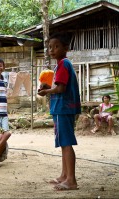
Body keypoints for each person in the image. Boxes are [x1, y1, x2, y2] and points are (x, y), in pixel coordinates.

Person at [37, 32, 81, 191]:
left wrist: (46, 92)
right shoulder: (62, 64)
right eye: (50, 47)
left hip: (64, 108)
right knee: (63, 143)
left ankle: (71, 180)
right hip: (62, 108)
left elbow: (61, 88)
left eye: (56, 46)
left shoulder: (63, 64)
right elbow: (59, 87)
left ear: (66, 48)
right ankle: (64, 175)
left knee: (66, 143)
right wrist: (49, 88)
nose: (52, 50)